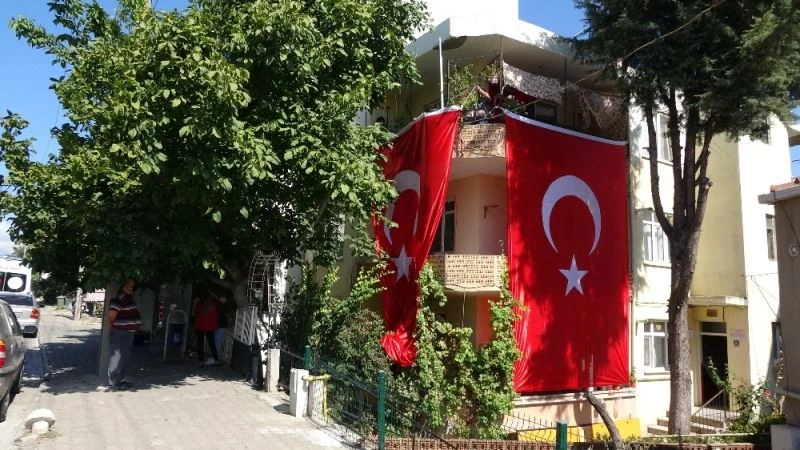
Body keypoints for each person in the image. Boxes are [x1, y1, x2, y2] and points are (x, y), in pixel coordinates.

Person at [106, 277, 141, 390]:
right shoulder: (118, 298)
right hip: (120, 332)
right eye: (128, 285)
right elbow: (111, 315)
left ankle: (120, 380)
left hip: (127, 333)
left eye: (133, 286)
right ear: (123, 285)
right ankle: (113, 383)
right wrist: (112, 325)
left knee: (124, 357)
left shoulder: (128, 298)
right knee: (116, 357)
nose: (131, 288)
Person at [193, 293, 220, 367]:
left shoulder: (200, 306)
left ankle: (201, 362)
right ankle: (216, 360)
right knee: (212, 344)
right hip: (209, 327)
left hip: (199, 326)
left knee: (200, 344)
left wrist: (195, 303)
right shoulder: (214, 306)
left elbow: (194, 313)